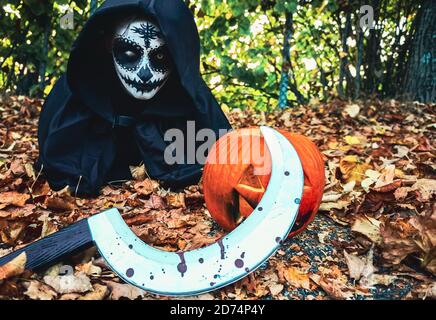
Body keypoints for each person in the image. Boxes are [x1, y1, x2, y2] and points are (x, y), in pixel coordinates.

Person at [37, 0, 232, 195]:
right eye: (130, 53)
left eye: (161, 57)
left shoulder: (195, 106)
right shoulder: (73, 98)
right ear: (107, 44)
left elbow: (225, 161)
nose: (144, 74)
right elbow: (58, 163)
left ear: (177, 55)